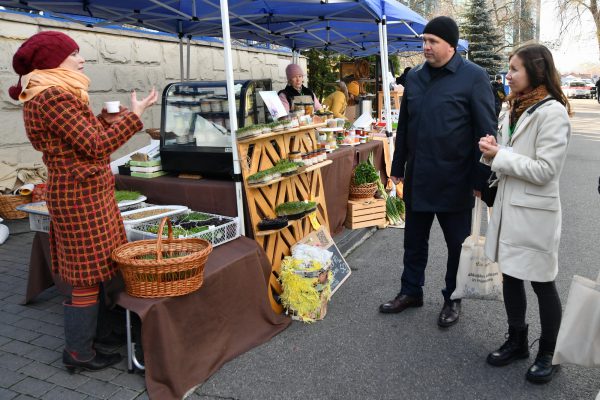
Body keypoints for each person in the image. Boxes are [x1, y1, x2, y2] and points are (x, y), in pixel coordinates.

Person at [9, 31, 157, 372]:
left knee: (100, 267)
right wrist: (133, 119)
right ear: (54, 60)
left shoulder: (54, 92)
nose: (82, 59)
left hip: (84, 192)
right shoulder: (52, 98)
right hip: (80, 196)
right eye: (75, 54)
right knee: (86, 275)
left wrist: (107, 119)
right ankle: (78, 351)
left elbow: (81, 137)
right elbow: (93, 146)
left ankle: (100, 336)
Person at [379, 16, 496, 328]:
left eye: (433, 41)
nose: (425, 46)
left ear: (451, 46)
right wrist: (397, 165)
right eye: (424, 40)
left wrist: (480, 180)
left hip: (455, 180)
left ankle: (452, 298)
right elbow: (404, 125)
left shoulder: (474, 77)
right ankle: (410, 291)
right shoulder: (414, 77)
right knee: (414, 240)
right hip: (418, 175)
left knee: (457, 245)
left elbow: (486, 132)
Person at [479, 44, 571, 384]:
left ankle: (550, 351)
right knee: (512, 276)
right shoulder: (512, 107)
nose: (509, 74)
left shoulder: (553, 112)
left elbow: (546, 170)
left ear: (536, 70)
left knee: (543, 281)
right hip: (508, 205)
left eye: (515, 68)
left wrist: (500, 154)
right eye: (509, 68)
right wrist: (491, 154)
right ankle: (517, 339)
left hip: (536, 213)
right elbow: (511, 158)